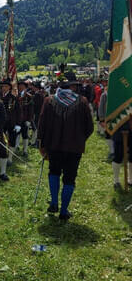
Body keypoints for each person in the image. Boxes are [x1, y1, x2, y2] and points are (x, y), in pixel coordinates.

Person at [38, 81, 93, 221]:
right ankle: (63, 211)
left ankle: (54, 203)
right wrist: (80, 139)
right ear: (73, 87)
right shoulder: (82, 101)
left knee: (54, 172)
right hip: (74, 148)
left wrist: (42, 144)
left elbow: (42, 124)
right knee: (70, 177)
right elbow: (89, 127)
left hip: (53, 146)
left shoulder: (49, 101)